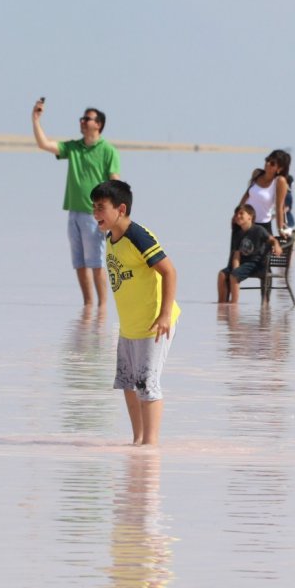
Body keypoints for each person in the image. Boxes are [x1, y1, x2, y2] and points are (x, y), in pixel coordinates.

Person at [90, 180, 180, 446]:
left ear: (120, 209)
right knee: (128, 383)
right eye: (93, 207)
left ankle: (150, 446)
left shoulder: (137, 236)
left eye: (101, 207)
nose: (95, 213)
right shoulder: (110, 239)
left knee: (147, 384)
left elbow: (169, 271)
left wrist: (164, 315)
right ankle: (138, 440)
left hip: (154, 323)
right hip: (129, 326)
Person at [32, 98, 121, 309]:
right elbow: (44, 144)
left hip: (95, 215)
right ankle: (88, 306)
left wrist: (116, 213)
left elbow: (115, 180)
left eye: (87, 119)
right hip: (74, 212)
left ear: (98, 124)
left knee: (96, 262)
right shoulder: (73, 147)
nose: (82, 121)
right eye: (81, 118)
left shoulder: (108, 150)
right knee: (80, 263)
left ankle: (103, 307)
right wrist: (36, 119)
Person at [218, 204, 282, 304]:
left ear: (250, 216)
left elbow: (272, 239)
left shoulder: (258, 230)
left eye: (241, 213)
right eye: (236, 214)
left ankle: (234, 304)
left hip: (254, 264)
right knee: (222, 275)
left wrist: (276, 245)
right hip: (242, 264)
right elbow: (236, 255)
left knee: (234, 276)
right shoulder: (238, 233)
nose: (237, 216)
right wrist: (236, 270)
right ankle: (221, 304)